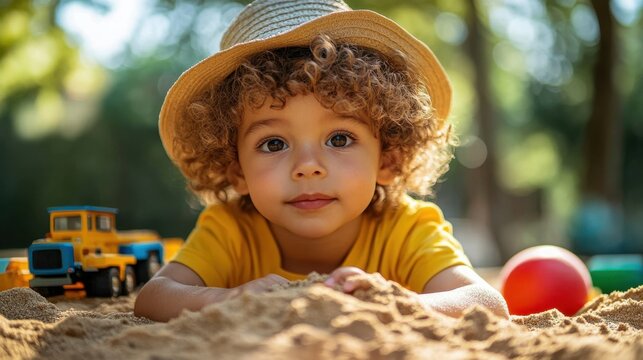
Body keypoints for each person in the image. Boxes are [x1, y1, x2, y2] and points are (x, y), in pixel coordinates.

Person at [134, 0, 509, 322]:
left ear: (388, 158)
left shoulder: (408, 228)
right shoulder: (231, 229)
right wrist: (226, 298)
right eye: (274, 143)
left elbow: (486, 302)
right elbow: (154, 296)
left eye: (340, 138)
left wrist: (398, 303)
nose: (308, 166)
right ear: (237, 170)